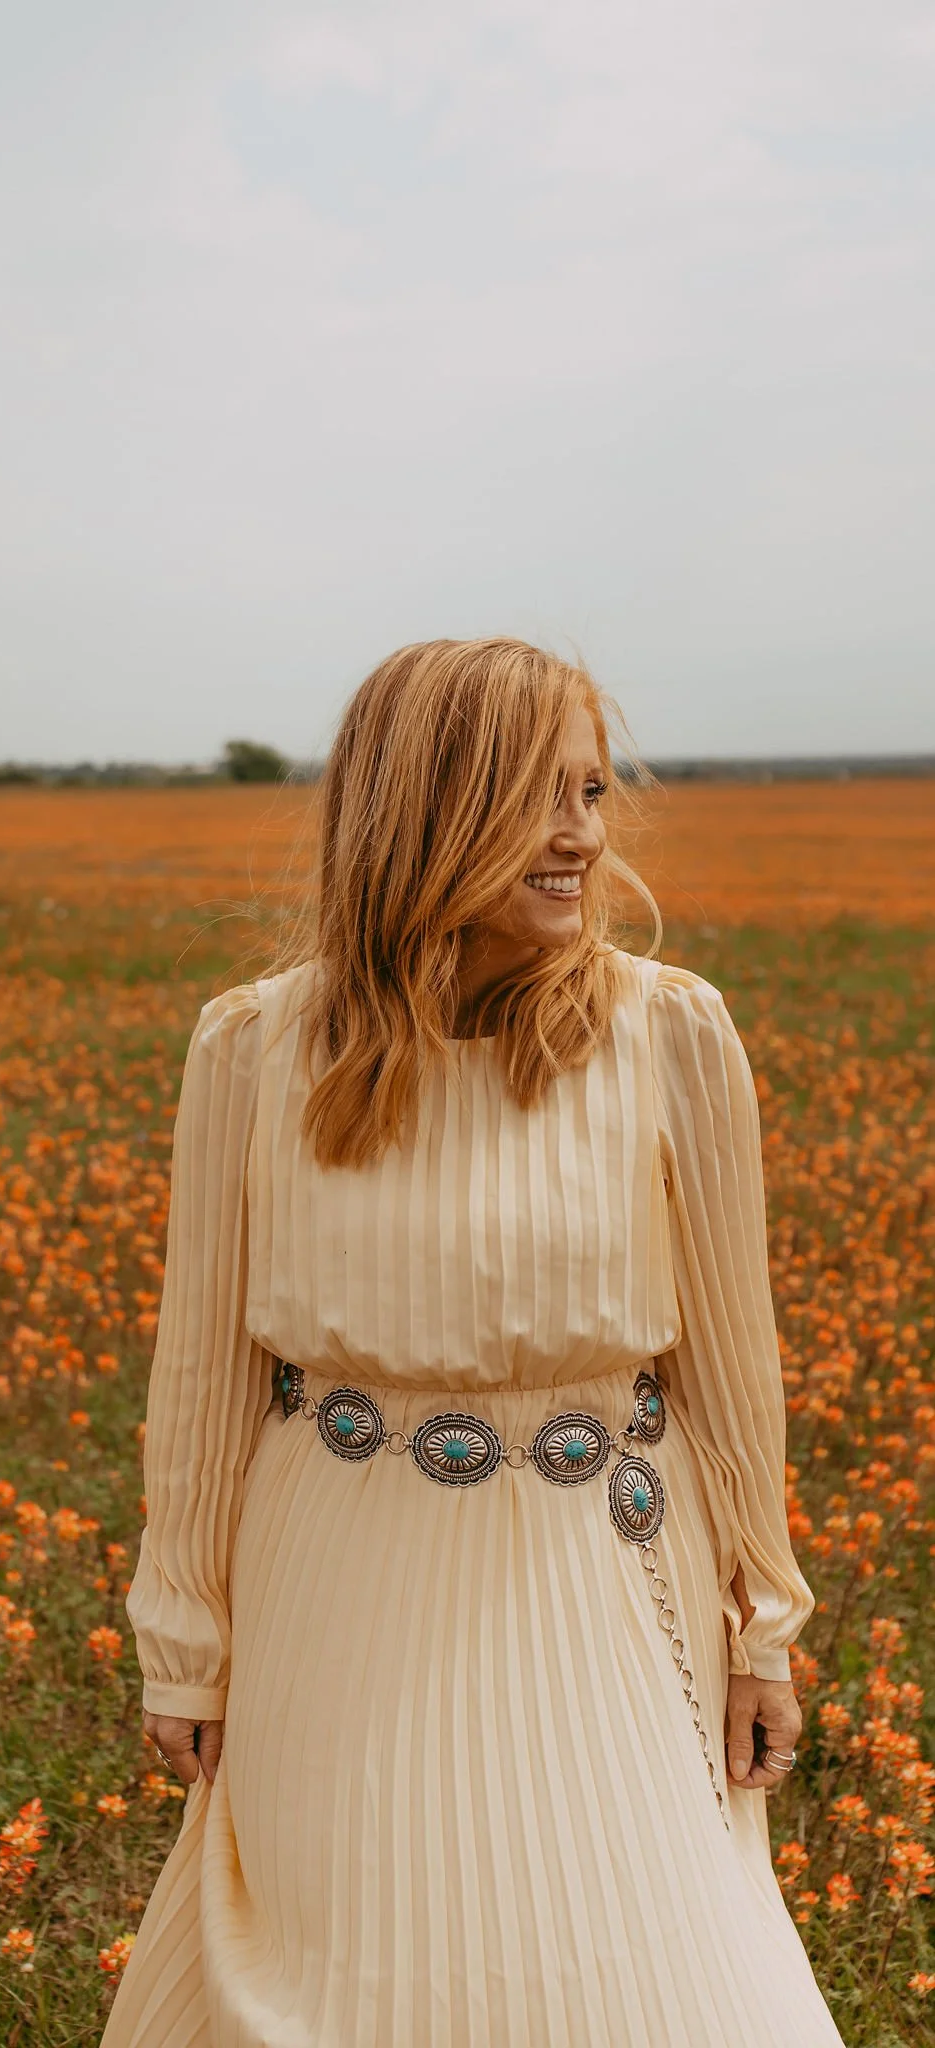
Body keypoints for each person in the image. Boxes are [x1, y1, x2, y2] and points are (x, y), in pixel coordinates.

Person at [102, 639, 844, 2047]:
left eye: (595, 793)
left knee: (669, 1978)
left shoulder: (671, 1030)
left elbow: (734, 1369)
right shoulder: (256, 1047)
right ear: (422, 811)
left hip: (608, 1577)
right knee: (343, 1978)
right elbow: (199, 1376)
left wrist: (766, 1627)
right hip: (335, 1583)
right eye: (537, 797)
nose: (581, 837)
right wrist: (183, 1639)